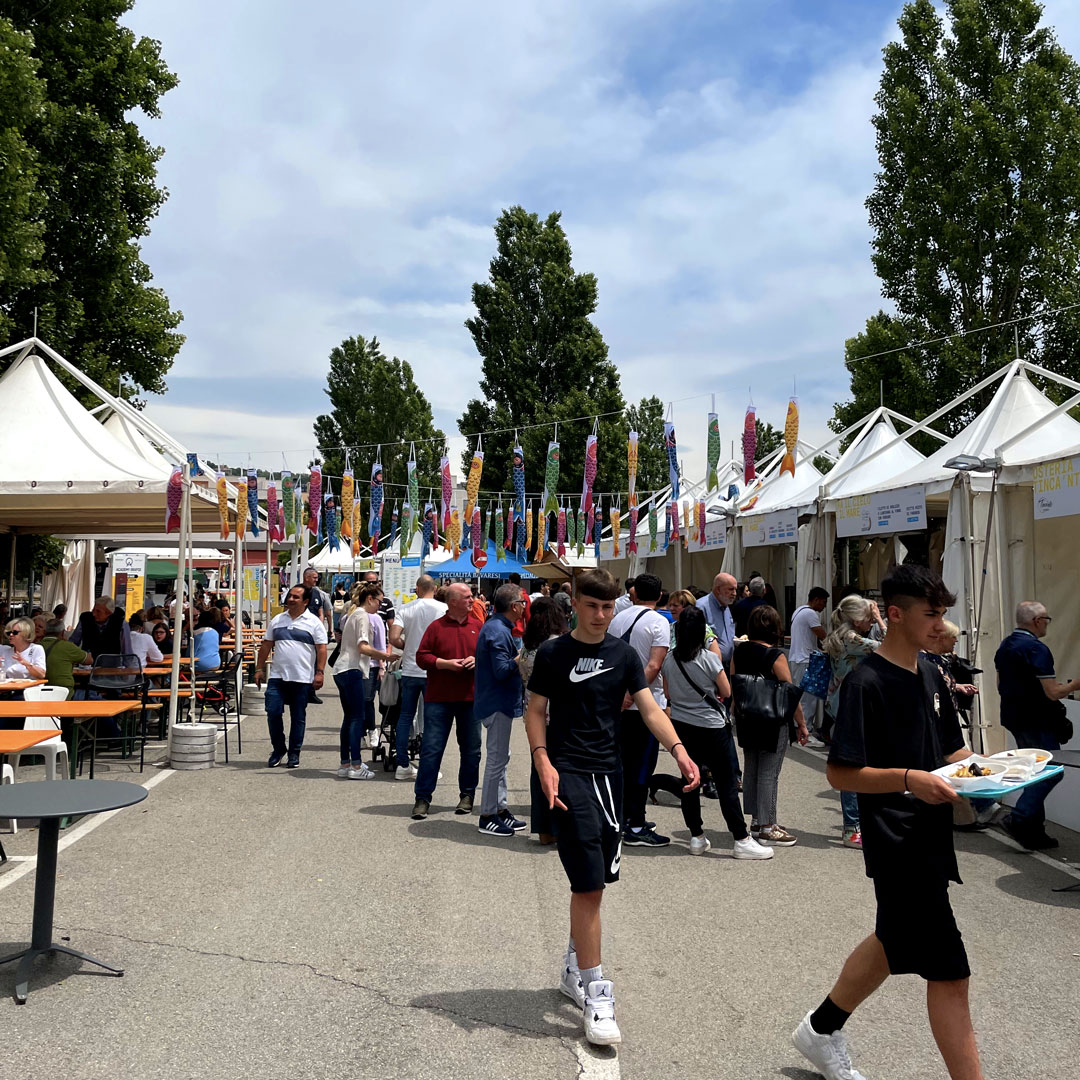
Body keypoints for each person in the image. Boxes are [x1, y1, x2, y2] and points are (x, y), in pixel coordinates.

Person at [793, 566, 984, 1080]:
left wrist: (1001, 774)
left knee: (890, 942)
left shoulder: (929, 671)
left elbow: (954, 750)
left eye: (943, 613)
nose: (940, 624)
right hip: (897, 842)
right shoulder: (864, 682)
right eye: (931, 614)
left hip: (930, 835)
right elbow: (839, 773)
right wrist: (908, 779)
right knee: (951, 973)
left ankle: (821, 1028)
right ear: (894, 614)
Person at [526, 568, 700, 1046]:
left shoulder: (624, 654)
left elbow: (647, 708)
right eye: (592, 606)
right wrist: (541, 760)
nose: (601, 616)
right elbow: (535, 709)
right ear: (575, 605)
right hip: (568, 775)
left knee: (598, 881)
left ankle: (572, 965)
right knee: (589, 886)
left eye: (608, 608)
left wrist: (679, 750)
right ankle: (597, 991)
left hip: (612, 778)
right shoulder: (554, 653)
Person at [662, 607, 773, 859]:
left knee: (690, 780)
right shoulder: (709, 659)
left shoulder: (670, 659)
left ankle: (696, 836)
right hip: (711, 726)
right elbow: (726, 689)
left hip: (681, 725)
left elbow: (668, 694)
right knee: (726, 783)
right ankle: (741, 838)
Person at [994, 600, 1076, 850]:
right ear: (1037, 621)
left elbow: (999, 684)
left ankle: (1032, 830)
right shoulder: (1036, 649)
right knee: (1051, 772)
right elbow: (1052, 693)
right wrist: (1075, 685)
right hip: (1037, 719)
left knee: (1035, 770)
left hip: (1014, 717)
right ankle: (1019, 818)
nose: (1047, 624)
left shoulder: (1005, 645)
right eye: (1047, 620)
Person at [732, 605, 808, 847]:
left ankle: (756, 820)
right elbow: (789, 693)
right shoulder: (775, 656)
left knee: (752, 766)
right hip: (772, 719)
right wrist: (802, 724)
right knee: (769, 773)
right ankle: (767, 825)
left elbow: (735, 683)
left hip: (746, 717)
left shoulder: (740, 651)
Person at [608, 573, 671, 847]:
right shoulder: (659, 621)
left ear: (633, 593)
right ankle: (635, 824)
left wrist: (621, 694)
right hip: (645, 703)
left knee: (621, 762)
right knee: (643, 766)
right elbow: (654, 665)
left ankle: (623, 818)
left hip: (617, 698)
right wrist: (633, 694)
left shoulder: (618, 618)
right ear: (659, 596)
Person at [411, 583, 483, 820]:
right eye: (467, 597)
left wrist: (477, 660)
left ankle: (467, 795)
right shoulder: (436, 627)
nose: (472, 600)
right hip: (439, 698)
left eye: (471, 597)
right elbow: (421, 657)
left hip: (470, 698)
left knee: (471, 750)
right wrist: (444, 663)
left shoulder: (478, 626)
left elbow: (489, 656)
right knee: (432, 749)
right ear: (453, 602)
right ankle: (422, 798)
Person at [823, 595, 881, 849]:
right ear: (858, 620)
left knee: (856, 766)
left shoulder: (841, 636)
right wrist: (881, 620)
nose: (871, 622)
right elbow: (891, 646)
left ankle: (855, 825)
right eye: (869, 618)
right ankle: (852, 828)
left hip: (843, 705)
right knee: (854, 768)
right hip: (853, 707)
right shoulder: (852, 639)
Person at [255, 585, 328, 769]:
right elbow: (266, 645)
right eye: (290, 596)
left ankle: (294, 752)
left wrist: (319, 672)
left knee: (298, 717)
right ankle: (279, 749)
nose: (291, 599)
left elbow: (321, 649)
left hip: (302, 678)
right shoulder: (278, 620)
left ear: (305, 602)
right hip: (277, 676)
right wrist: (259, 668)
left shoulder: (313, 623)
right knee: (273, 712)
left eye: (296, 597)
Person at [475, 584, 527, 836]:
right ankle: (487, 814)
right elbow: (502, 669)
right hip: (496, 702)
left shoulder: (499, 627)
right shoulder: (497, 630)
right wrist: (522, 656)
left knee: (501, 758)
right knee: (496, 760)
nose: (525, 607)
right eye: (522, 603)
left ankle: (500, 807)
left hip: (500, 701)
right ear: (514, 606)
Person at [518, 596, 569, 845]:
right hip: (556, 715)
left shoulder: (527, 646)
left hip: (532, 716)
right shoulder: (558, 645)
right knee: (560, 771)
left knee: (538, 772)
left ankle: (543, 829)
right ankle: (560, 826)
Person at [389, 575, 447, 780]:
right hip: (434, 669)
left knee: (405, 716)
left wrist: (409, 646)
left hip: (410, 668)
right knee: (432, 719)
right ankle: (428, 765)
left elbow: (394, 637)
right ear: (435, 588)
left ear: (417, 589)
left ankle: (402, 764)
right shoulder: (443, 609)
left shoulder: (405, 608)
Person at [335, 583, 393, 780]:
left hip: (343, 669)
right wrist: (384, 656)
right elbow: (363, 646)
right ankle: (356, 765)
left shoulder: (354, 614)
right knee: (357, 717)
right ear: (370, 599)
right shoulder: (362, 616)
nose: (380, 605)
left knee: (349, 717)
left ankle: (345, 762)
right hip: (352, 668)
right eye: (379, 601)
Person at [789, 587, 830, 747]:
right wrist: (834, 642)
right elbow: (821, 633)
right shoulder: (810, 614)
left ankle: (797, 728)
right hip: (806, 659)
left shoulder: (798, 611)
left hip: (797, 658)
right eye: (824, 602)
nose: (824, 606)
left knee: (800, 696)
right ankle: (807, 731)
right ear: (817, 599)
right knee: (808, 697)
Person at [303, 567, 334, 704]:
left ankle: (311, 692)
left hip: (314, 632)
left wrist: (321, 627)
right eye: (314, 577)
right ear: (307, 577)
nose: (317, 579)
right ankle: (301, 691)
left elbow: (321, 612)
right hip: (302, 632)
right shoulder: (297, 591)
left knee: (315, 661)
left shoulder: (317, 593)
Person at [39, 619, 88, 697]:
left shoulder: (35, 646)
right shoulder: (67, 646)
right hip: (64, 693)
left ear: (44, 632)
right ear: (62, 633)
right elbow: (89, 660)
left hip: (39, 693)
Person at [696, 573, 737, 666]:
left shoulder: (726, 606)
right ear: (718, 589)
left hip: (727, 665)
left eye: (735, 589)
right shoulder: (701, 607)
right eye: (731, 589)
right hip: (710, 666)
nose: (734, 593)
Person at [507, 572, 531, 638]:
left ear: (509, 581)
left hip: (504, 630)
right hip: (518, 631)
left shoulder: (504, 595)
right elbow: (528, 616)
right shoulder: (524, 596)